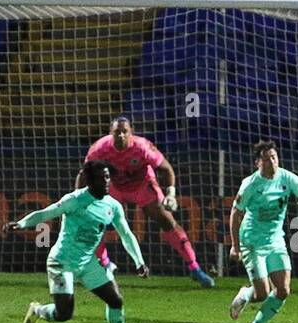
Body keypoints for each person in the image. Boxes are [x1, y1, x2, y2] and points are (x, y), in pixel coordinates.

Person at [7, 160, 149, 323]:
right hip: (61, 262)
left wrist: (139, 262)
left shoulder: (112, 206)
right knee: (64, 314)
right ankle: (37, 310)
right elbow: (44, 214)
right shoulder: (74, 200)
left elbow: (126, 235)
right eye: (101, 178)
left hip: (87, 262)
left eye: (107, 177)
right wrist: (21, 224)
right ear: (90, 181)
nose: (106, 182)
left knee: (115, 300)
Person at [84, 116, 212, 287]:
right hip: (114, 188)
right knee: (95, 222)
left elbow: (166, 169)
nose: (121, 135)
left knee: (166, 220)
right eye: (117, 132)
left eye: (124, 132)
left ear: (131, 133)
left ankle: (194, 268)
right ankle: (105, 264)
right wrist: (83, 200)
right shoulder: (100, 149)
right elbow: (84, 173)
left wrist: (171, 194)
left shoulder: (142, 147)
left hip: (142, 185)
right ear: (110, 133)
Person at [227, 139, 298, 323]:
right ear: (257, 163)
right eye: (266, 159)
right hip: (251, 241)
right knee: (261, 293)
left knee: (283, 290)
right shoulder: (251, 184)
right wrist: (235, 245)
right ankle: (244, 294)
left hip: (276, 240)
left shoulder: (287, 178)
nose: (271, 162)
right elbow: (236, 213)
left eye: (274, 157)